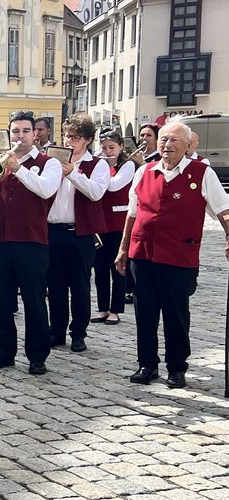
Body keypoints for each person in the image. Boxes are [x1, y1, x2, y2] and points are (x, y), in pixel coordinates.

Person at [117, 119, 229, 388]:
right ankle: (147, 364)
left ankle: (177, 368)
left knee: (176, 315)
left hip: (179, 256)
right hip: (143, 254)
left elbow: (223, 209)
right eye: (164, 139)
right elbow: (132, 213)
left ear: (188, 144)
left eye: (174, 140)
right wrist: (123, 249)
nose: (167, 145)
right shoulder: (144, 172)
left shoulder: (202, 173)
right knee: (145, 313)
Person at [0, 111, 63, 375]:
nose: (19, 136)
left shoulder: (49, 163)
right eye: (15, 131)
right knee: (1, 300)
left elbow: (46, 190)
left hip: (31, 241)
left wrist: (18, 168)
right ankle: (5, 351)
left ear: (35, 134)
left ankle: (37, 355)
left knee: (33, 300)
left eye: (25, 131)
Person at [46, 114, 108, 353]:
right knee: (55, 285)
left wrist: (72, 172)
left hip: (80, 233)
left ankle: (78, 333)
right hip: (53, 230)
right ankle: (56, 331)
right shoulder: (53, 160)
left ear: (88, 140)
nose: (70, 141)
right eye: (67, 136)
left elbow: (96, 193)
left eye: (76, 137)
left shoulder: (97, 164)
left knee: (79, 285)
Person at [92, 129, 135, 325]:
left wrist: (97, 175)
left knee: (117, 267)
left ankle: (116, 309)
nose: (107, 151)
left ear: (120, 147)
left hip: (118, 222)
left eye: (112, 147)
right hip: (100, 221)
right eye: (104, 148)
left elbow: (113, 186)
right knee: (100, 268)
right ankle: (102, 308)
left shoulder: (127, 166)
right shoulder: (98, 164)